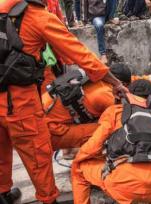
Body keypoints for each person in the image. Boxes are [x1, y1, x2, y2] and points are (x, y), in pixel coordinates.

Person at [0, 0, 127, 203]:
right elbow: (79, 54)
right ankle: (48, 198)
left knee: (1, 149)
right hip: (20, 104)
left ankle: (3, 193)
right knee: (37, 155)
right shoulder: (37, 16)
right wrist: (114, 82)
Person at [72, 79, 151, 204]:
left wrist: (78, 160)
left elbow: (94, 145)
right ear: (150, 99)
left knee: (79, 171)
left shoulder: (115, 111)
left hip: (123, 186)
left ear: (128, 94)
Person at [43, 63, 131, 156]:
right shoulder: (106, 96)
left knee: (83, 113)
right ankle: (86, 155)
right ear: (123, 84)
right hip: (48, 132)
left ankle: (69, 150)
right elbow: (119, 119)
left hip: (39, 115)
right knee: (109, 130)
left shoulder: (93, 77)